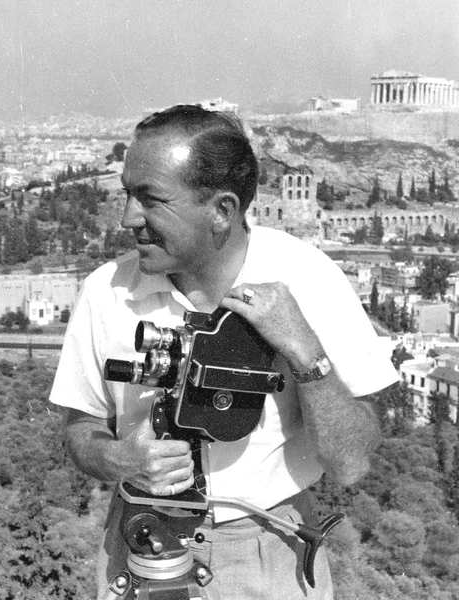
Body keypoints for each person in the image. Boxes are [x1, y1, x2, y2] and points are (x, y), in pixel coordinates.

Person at [49, 105, 398, 600]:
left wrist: (303, 350)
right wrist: (116, 458)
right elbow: (79, 427)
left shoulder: (312, 280)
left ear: (222, 210)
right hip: (143, 542)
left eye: (150, 199)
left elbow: (352, 464)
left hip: (268, 550)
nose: (128, 217)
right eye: (127, 193)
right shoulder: (104, 292)